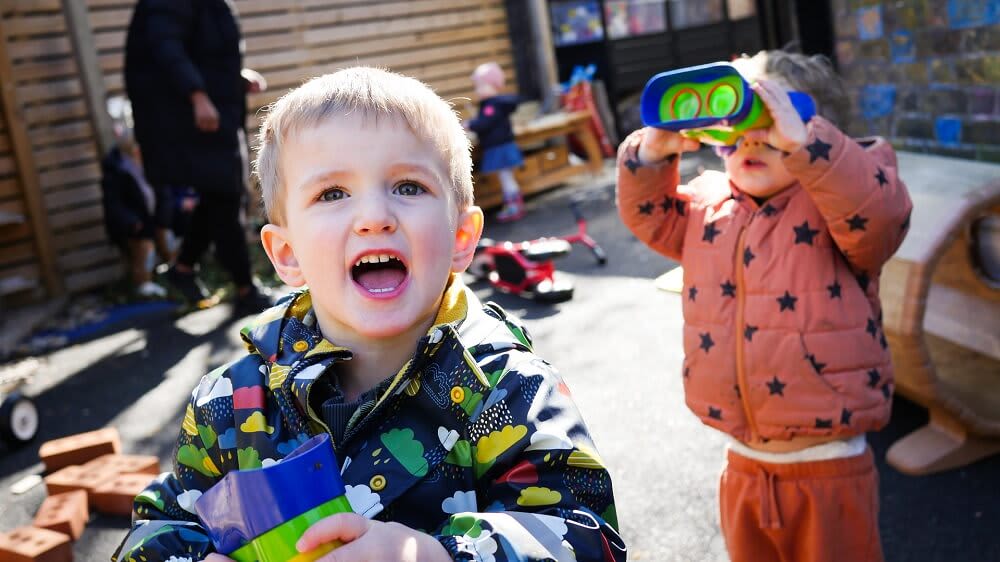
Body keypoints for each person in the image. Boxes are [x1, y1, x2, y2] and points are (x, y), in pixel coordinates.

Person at [112, 67, 626, 562]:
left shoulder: (507, 391)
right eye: (332, 193)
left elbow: (584, 536)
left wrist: (438, 555)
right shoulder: (230, 406)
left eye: (408, 187)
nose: (375, 218)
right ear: (287, 254)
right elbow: (159, 523)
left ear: (461, 239)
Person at [616, 51, 912, 562]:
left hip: (828, 467)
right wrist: (652, 155)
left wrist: (812, 148)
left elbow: (880, 217)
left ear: (815, 134)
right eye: (736, 124)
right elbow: (651, 216)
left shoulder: (837, 205)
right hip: (741, 461)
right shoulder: (710, 206)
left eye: (770, 123)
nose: (750, 138)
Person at [124, 0, 271, 313]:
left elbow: (200, 46)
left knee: (219, 194)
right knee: (225, 193)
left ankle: (184, 269)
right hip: (188, 117)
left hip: (209, 110)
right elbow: (165, 47)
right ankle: (245, 287)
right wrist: (198, 95)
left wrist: (234, 76)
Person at [100, 126, 171, 299]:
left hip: (154, 217)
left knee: (168, 239)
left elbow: (163, 192)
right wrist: (131, 221)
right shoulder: (116, 171)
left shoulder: (149, 164)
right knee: (145, 247)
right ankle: (144, 285)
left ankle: (174, 274)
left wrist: (164, 215)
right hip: (134, 223)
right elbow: (113, 204)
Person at [466, 62, 525, 222]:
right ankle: (514, 205)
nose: (477, 90)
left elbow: (484, 123)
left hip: (500, 149)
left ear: (492, 86)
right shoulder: (495, 105)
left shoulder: (491, 107)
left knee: (506, 178)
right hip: (504, 146)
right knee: (507, 177)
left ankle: (513, 207)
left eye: (480, 86)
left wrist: (470, 125)